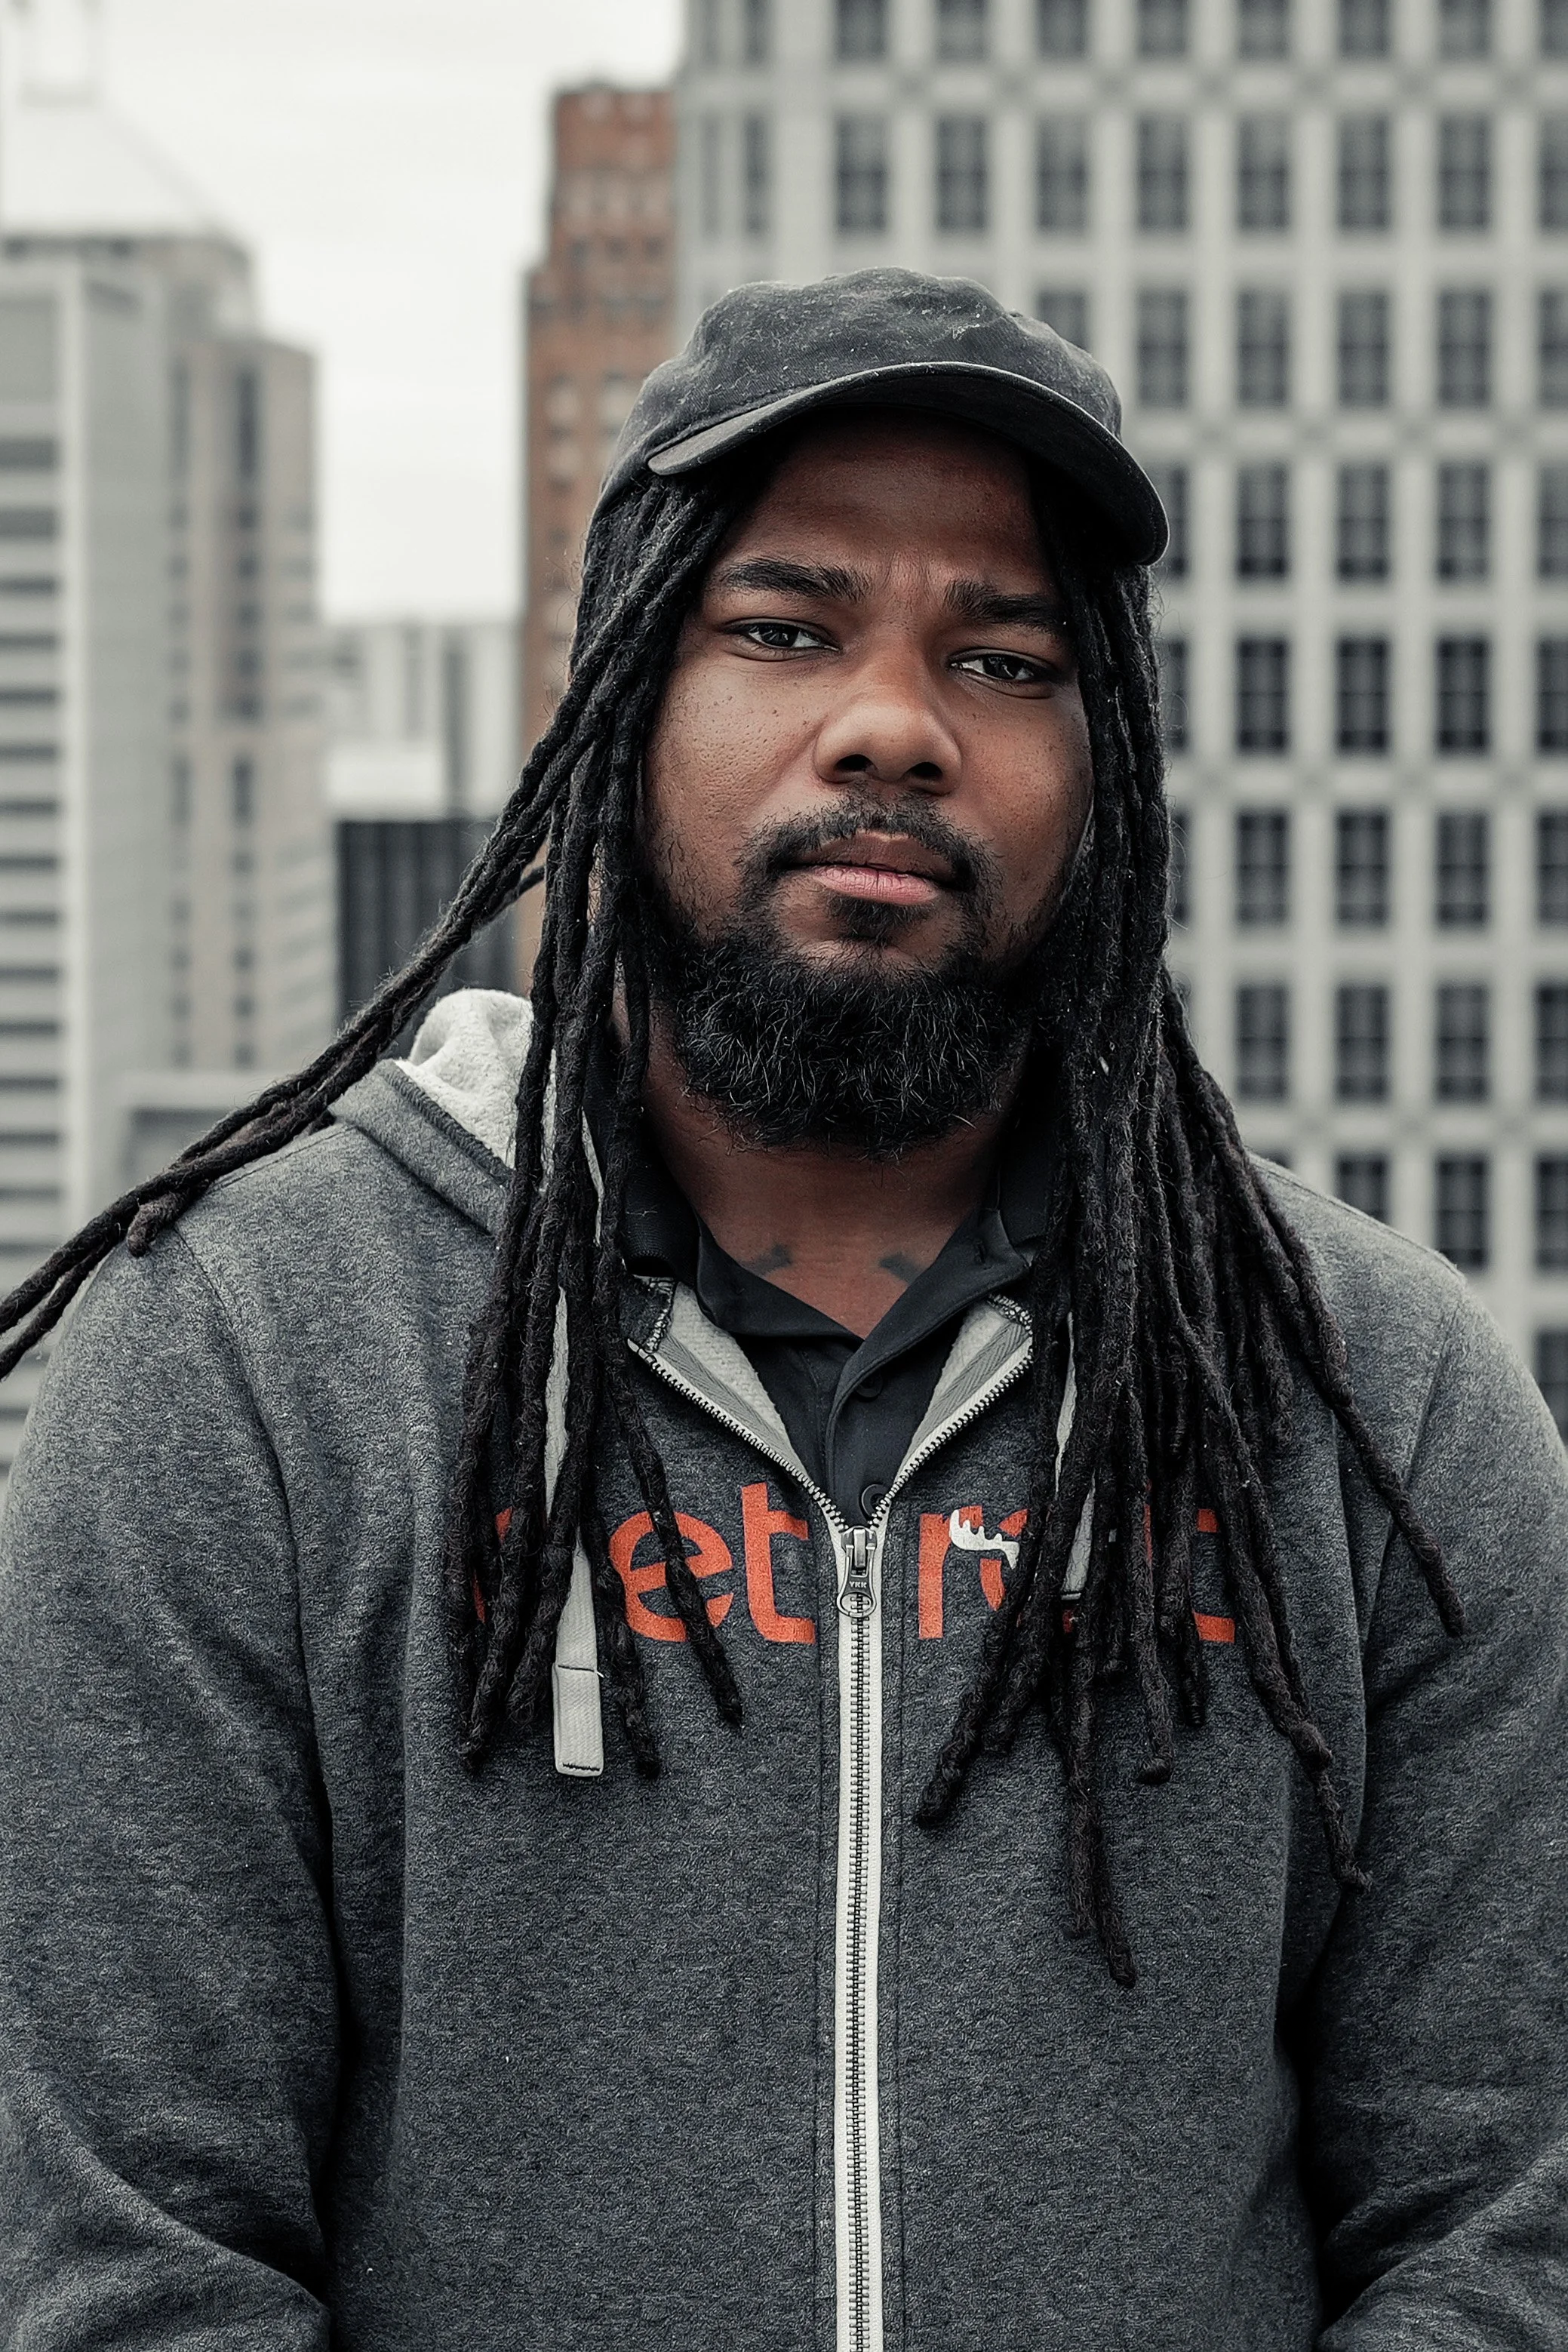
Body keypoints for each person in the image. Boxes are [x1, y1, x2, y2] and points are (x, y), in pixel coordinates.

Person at [0, 269, 1563, 2351]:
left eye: (1001, 655)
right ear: (620, 696)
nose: (892, 721)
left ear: (1104, 767)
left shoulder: (1373, 1393)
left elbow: (1500, 2226)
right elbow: (121, 2261)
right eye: (785, 625)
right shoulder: (243, 1365)